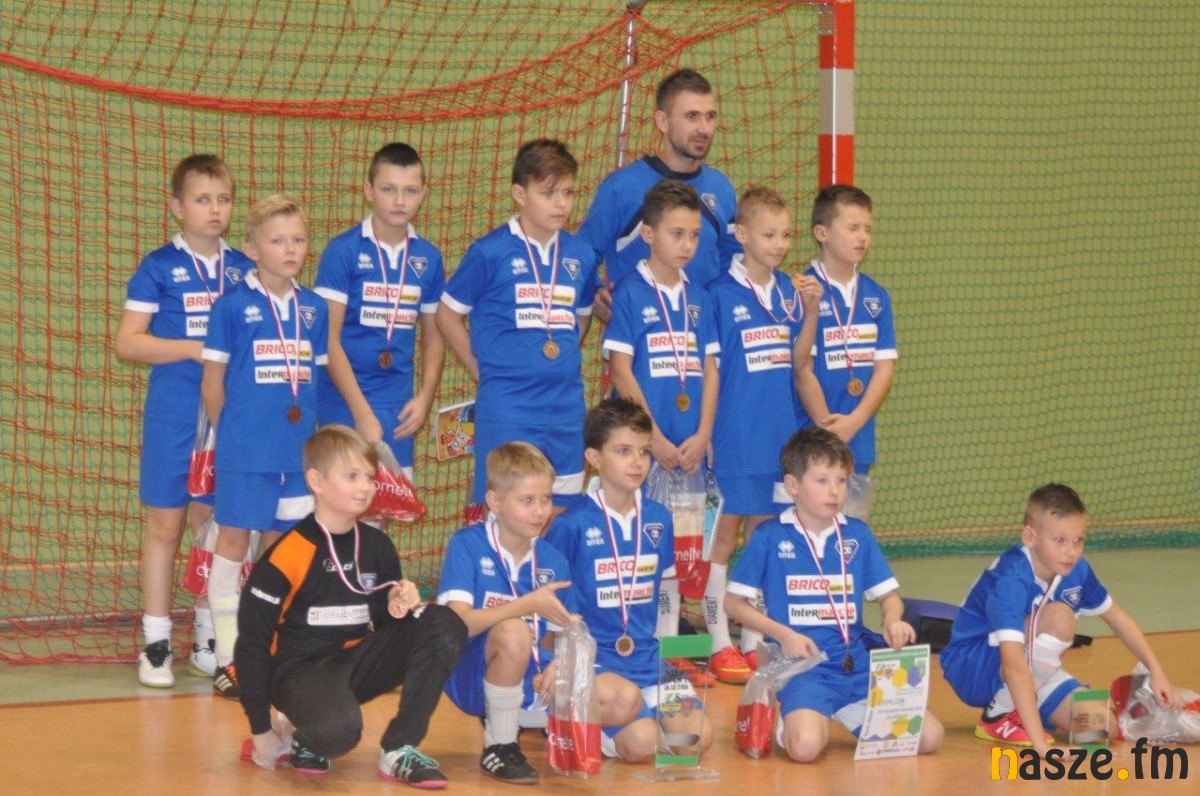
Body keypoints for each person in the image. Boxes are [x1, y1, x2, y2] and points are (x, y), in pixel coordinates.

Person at [236, 425, 468, 786]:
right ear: (316, 481)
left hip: (355, 662)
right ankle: (304, 735)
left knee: (444, 623)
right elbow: (251, 645)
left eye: (370, 478)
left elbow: (382, 620)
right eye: (352, 476)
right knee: (338, 734)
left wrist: (397, 602)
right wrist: (260, 728)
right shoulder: (286, 556)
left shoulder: (377, 545)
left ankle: (399, 749)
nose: (365, 487)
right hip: (299, 671)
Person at [115, 154, 253, 687]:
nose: (215, 209)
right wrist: (195, 348)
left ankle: (207, 635)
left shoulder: (244, 267)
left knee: (213, 524)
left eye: (223, 199)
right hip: (174, 414)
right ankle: (155, 642)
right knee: (166, 524)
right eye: (202, 199)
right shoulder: (159, 267)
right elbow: (128, 342)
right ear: (177, 207)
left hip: (229, 414)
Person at [725, 427, 944, 762]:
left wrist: (892, 619)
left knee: (930, 737)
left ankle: (848, 710)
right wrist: (784, 634)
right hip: (803, 668)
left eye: (841, 480)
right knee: (805, 749)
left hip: (856, 665)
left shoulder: (857, 535)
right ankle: (794, 715)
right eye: (822, 480)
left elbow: (889, 597)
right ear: (793, 485)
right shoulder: (770, 537)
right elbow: (733, 603)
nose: (834, 491)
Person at [437, 441, 641, 783]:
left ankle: (537, 720)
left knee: (626, 699)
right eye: (527, 500)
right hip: (471, 674)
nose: (539, 511)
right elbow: (458, 625)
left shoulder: (551, 559)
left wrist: (559, 665)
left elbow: (565, 634)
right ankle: (500, 745)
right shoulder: (468, 544)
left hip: (534, 674)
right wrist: (526, 605)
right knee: (514, 630)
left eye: (545, 499)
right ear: (495, 502)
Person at [940, 483, 1180, 754]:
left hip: (1031, 667)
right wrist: (1040, 745)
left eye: (1078, 540)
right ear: (1030, 537)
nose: (1071, 551)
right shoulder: (1012, 579)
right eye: (1060, 540)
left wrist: (1156, 671)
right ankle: (999, 715)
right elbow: (1014, 663)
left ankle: (1027, 707)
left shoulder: (1077, 570)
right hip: (975, 664)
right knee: (1060, 618)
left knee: (1101, 729)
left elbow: (1117, 616)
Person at [200, 194, 329, 699]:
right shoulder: (232, 307)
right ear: (252, 249)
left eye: (298, 239)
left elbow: (315, 384)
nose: (290, 249)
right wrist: (232, 438)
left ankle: (267, 649)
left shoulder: (314, 308)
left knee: (279, 556)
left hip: (296, 459)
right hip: (245, 455)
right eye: (278, 241)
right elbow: (213, 385)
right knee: (233, 546)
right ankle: (229, 656)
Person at [544, 398, 713, 763]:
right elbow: (547, 605)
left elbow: (665, 593)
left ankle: (647, 718)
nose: (637, 462)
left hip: (648, 662)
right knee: (640, 744)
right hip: (596, 662)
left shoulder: (658, 518)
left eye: (643, 451)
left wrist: (667, 651)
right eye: (623, 451)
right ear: (594, 457)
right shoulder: (571, 525)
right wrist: (556, 663)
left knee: (695, 740)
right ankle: (579, 718)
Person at [437, 138, 598, 512]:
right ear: (519, 194)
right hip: (508, 405)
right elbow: (446, 314)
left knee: (560, 509)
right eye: (548, 193)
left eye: (568, 193)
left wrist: (559, 355)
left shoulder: (581, 255)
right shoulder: (489, 252)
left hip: (566, 405)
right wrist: (482, 370)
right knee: (506, 509)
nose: (561, 204)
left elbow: (582, 313)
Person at [703, 186, 822, 683]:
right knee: (722, 539)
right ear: (742, 234)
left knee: (762, 539)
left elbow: (798, 361)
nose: (779, 244)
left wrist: (811, 312)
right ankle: (718, 641)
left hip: (778, 438)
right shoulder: (717, 294)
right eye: (769, 234)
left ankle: (753, 640)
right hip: (733, 437)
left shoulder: (791, 294)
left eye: (786, 235)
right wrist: (707, 433)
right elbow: (709, 369)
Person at [602, 179, 719, 642]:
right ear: (649, 234)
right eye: (676, 234)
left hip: (689, 448)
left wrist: (704, 433)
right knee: (643, 547)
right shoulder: (630, 293)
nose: (687, 244)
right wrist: (653, 438)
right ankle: (637, 639)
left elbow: (710, 369)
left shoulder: (700, 298)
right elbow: (621, 369)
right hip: (647, 447)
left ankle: (669, 645)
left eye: (694, 235)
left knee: (682, 550)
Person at [314, 143, 446, 482]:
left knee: (391, 503)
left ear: (423, 193)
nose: (399, 201)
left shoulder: (429, 258)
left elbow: (434, 339)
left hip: (398, 404)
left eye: (410, 191)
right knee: (344, 499)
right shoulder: (342, 252)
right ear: (368, 190)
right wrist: (361, 412)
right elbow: (327, 339)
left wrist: (425, 398)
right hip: (344, 399)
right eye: (388, 190)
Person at [579, 68, 739, 318]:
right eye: (691, 116)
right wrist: (595, 291)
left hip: (703, 336)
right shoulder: (621, 188)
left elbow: (734, 265)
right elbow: (581, 255)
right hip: (638, 336)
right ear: (663, 121)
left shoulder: (722, 189)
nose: (704, 128)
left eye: (710, 117)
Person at [794, 185, 895, 511]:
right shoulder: (802, 291)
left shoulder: (877, 297)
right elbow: (801, 369)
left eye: (867, 229)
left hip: (857, 439)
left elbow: (884, 367)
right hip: (810, 439)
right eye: (853, 227)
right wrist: (828, 430)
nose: (862, 237)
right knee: (808, 530)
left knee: (850, 532)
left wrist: (856, 420)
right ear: (821, 233)